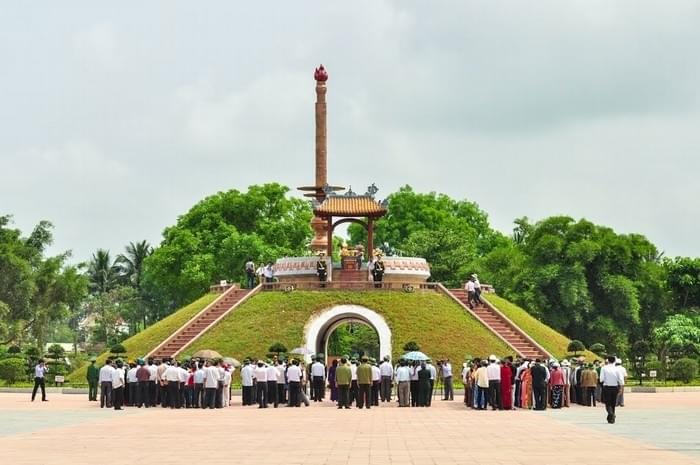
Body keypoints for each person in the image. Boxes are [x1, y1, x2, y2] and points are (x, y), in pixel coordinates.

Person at [600, 355, 624, 424]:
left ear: (608, 360)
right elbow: (621, 380)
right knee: (613, 403)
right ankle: (611, 417)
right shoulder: (617, 369)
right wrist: (621, 388)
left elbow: (601, 379)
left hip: (607, 387)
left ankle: (611, 414)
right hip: (615, 387)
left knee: (608, 403)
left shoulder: (604, 368)